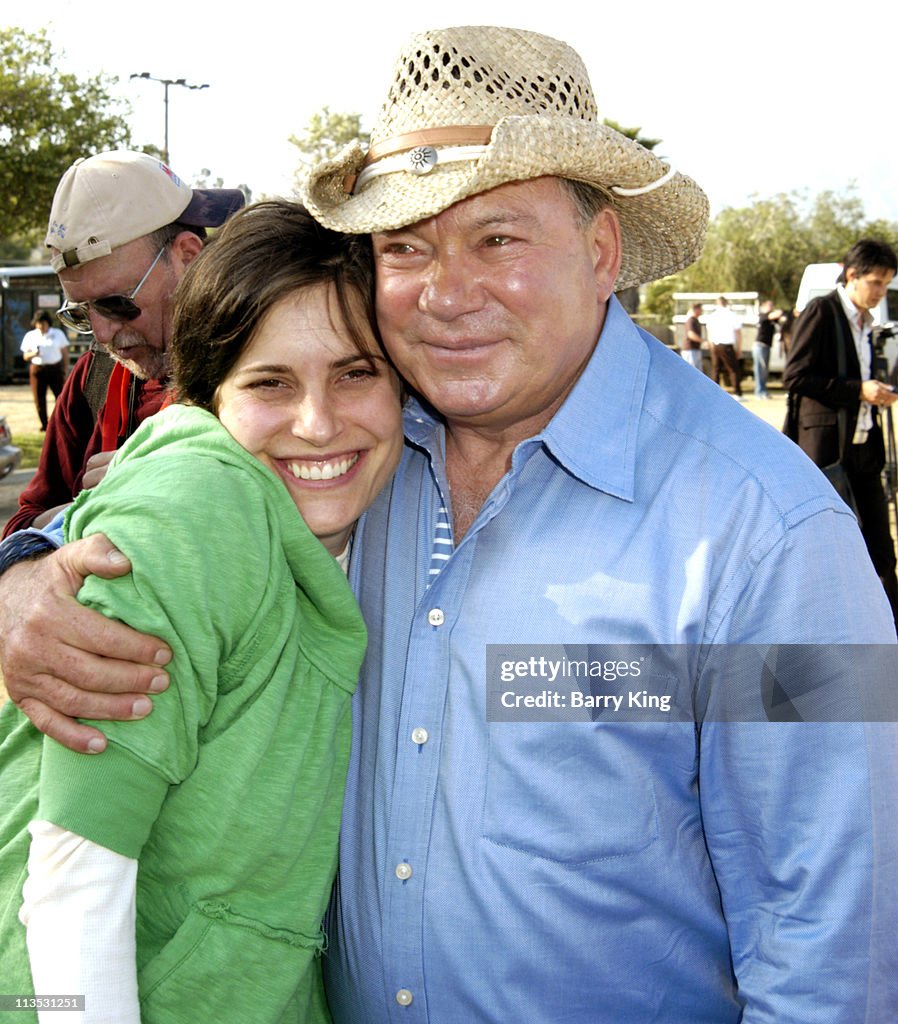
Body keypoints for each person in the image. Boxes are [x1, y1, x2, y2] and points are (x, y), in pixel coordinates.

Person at [1, 25, 896, 1023]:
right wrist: (25, 572)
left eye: (498, 239)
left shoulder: (775, 539)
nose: (447, 293)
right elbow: (161, 502)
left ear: (601, 252)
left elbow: (835, 943)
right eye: (405, 246)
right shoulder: (351, 453)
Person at [0, 200, 404, 1023]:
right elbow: (75, 884)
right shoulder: (201, 503)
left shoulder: (378, 504)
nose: (319, 422)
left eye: (357, 372)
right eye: (270, 383)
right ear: (208, 395)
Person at [2, 150, 244, 538]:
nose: (100, 334)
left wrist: (180, 486)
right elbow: (24, 521)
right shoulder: (92, 378)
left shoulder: (258, 378)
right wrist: (98, 506)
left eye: (116, 303)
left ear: (186, 256)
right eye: (80, 312)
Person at [783, 238, 898, 629]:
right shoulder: (822, 310)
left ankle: (887, 629)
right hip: (828, 451)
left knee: (881, 549)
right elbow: (796, 375)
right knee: (829, 550)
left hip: (864, 447)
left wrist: (874, 390)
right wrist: (858, 390)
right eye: (877, 283)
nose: (881, 292)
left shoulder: (866, 323)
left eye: (886, 284)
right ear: (852, 276)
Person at [19, 312, 69, 432]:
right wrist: (34, 353)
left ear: (48, 323)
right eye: (39, 323)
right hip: (38, 369)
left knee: (60, 397)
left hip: (55, 369)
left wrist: (65, 369)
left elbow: (65, 353)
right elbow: (25, 356)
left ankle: (60, 422)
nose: (41, 326)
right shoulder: (30, 336)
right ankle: (44, 425)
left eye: (44, 323)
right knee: (39, 398)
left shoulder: (57, 334)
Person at [705, 294, 744, 397]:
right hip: (726, 345)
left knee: (716, 369)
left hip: (715, 345)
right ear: (726, 303)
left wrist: (710, 345)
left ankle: (714, 393)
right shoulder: (731, 315)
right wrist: (739, 348)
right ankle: (737, 393)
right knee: (733, 369)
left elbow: (709, 332)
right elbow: (738, 333)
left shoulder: (712, 316)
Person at [753, 298, 783, 398]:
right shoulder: (763, 316)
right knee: (760, 370)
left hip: (766, 346)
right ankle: (759, 391)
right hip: (760, 346)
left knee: (764, 370)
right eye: (770, 305)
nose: (771, 308)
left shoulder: (772, 319)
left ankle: (763, 390)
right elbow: (776, 314)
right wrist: (781, 311)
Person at [681, 300, 704, 370]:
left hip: (695, 350)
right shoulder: (690, 320)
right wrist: (703, 341)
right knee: (692, 372)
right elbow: (691, 335)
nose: (701, 310)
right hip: (690, 350)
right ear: (696, 310)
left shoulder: (696, 320)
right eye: (700, 309)